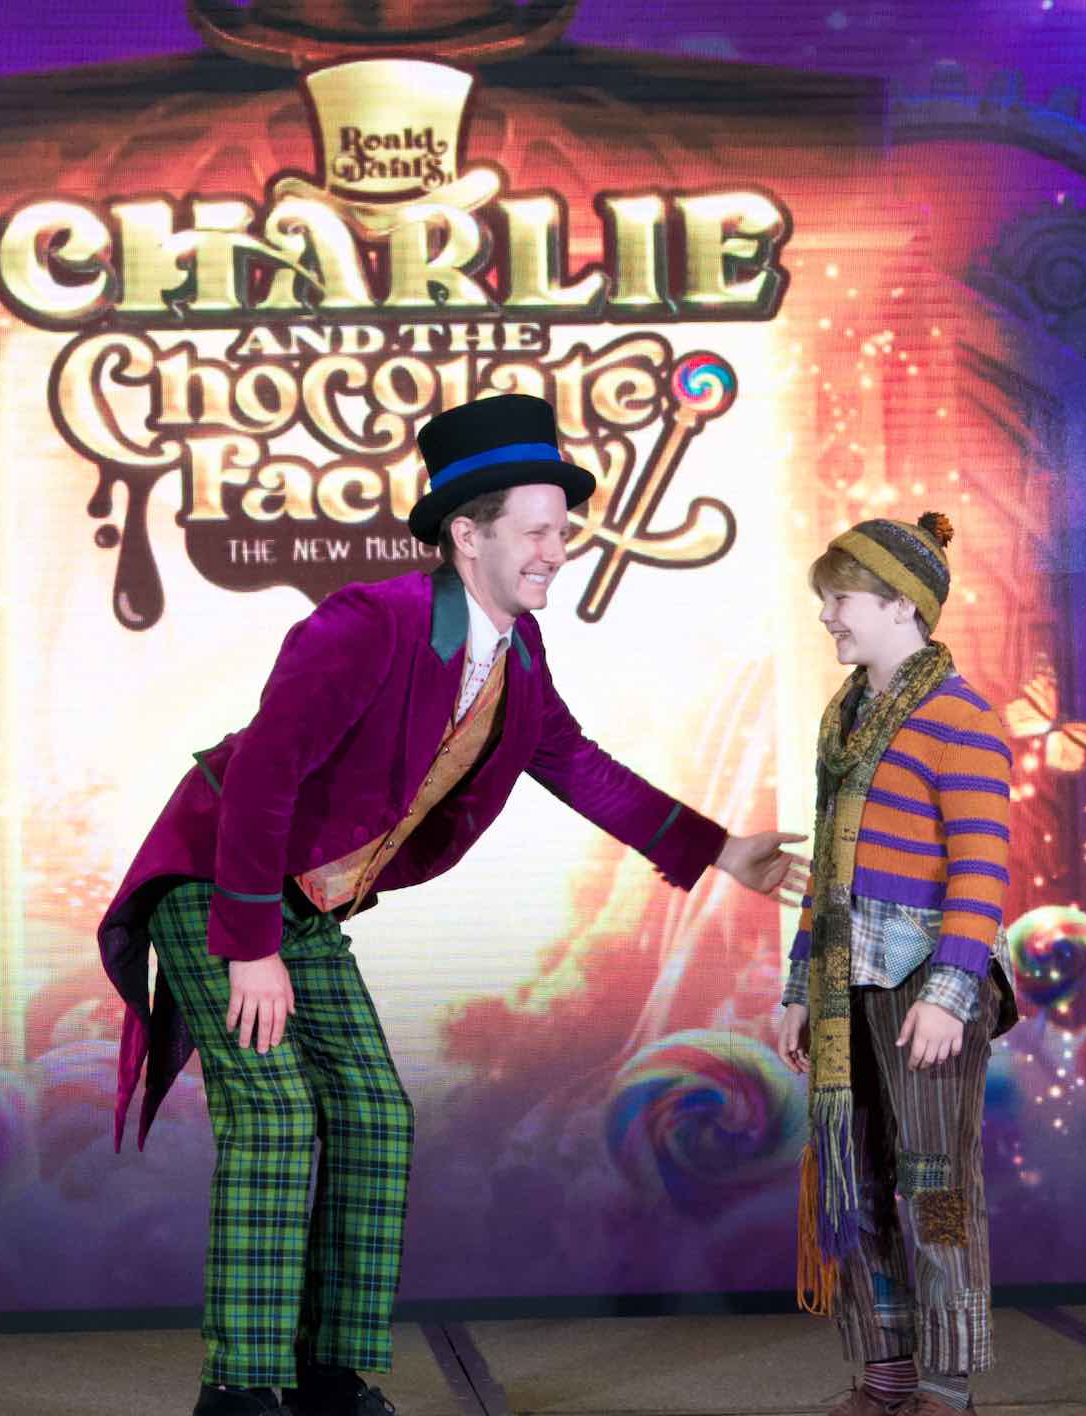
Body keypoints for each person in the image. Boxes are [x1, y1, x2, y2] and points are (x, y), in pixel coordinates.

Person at [99, 392, 808, 1416]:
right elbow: (261, 779)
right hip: (220, 885)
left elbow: (575, 764)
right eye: (537, 531)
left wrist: (720, 849)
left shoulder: (518, 654)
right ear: (468, 536)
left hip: (304, 907)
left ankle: (330, 1376)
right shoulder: (368, 623)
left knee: (375, 1116)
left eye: (561, 531)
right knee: (276, 1113)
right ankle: (241, 1388)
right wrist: (247, 944)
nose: (557, 550)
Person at [776, 512, 1013, 1416]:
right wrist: (801, 986)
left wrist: (951, 993)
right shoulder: (844, 719)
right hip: (849, 981)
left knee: (935, 1184)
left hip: (927, 980)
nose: (827, 616)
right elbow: (826, 868)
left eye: (840, 599)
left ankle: (945, 1382)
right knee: (858, 1177)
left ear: (902, 604)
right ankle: (885, 1374)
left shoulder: (960, 719)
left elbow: (982, 869)